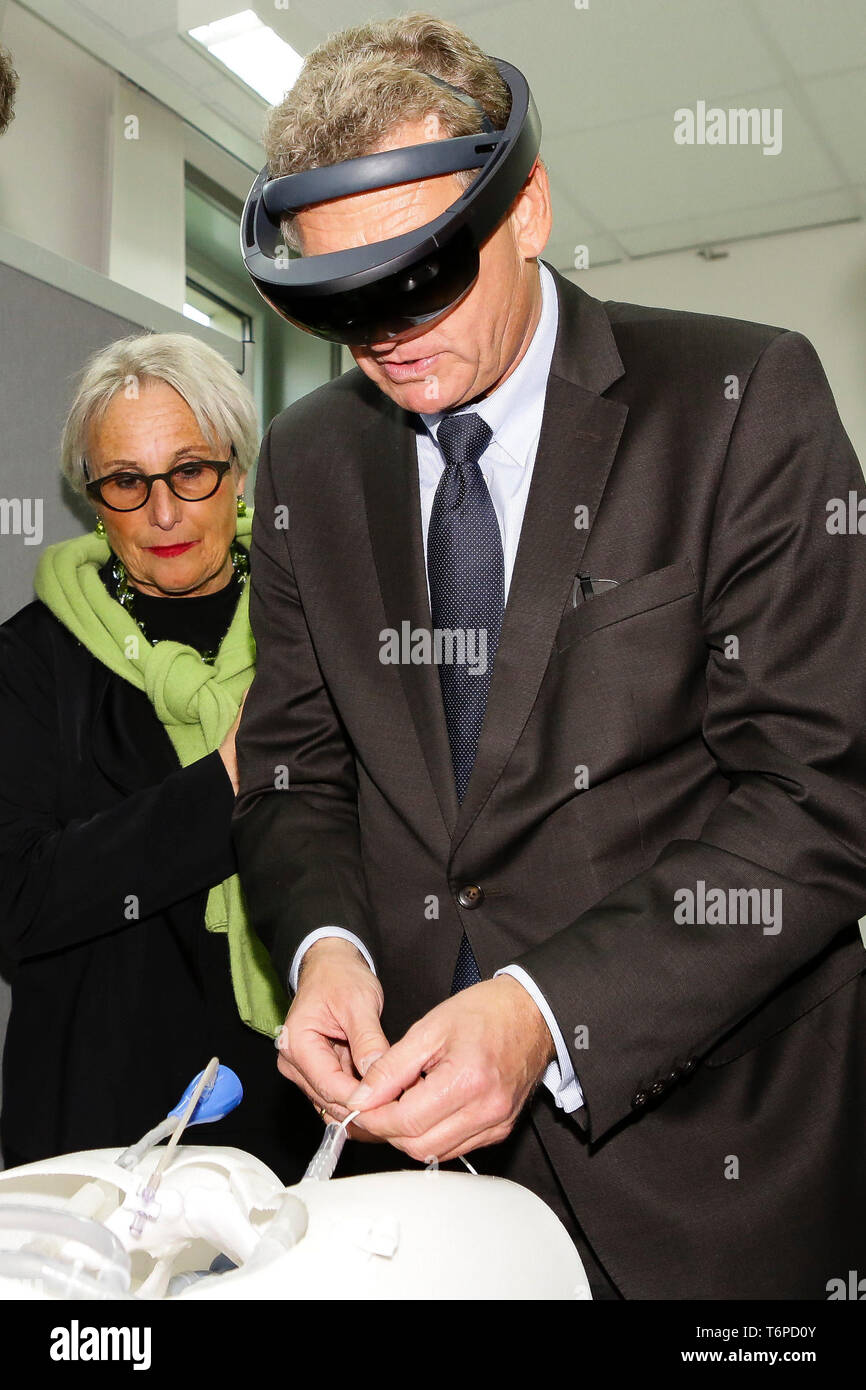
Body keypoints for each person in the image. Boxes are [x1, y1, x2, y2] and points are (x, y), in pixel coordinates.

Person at [231, 13, 866, 1298]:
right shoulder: (308, 459)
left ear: (525, 208)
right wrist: (326, 948)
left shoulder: (740, 403)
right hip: (421, 1175)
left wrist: (541, 1009)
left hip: (710, 1157)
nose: (386, 339)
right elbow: (296, 761)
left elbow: (818, 796)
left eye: (420, 278)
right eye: (341, 305)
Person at [0, 332, 321, 1180]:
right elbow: (18, 901)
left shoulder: (315, 628)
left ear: (239, 470)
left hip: (308, 1098)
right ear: (93, 499)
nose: (164, 511)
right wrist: (225, 783)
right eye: (126, 482)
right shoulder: (32, 661)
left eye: (190, 471)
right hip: (105, 1127)